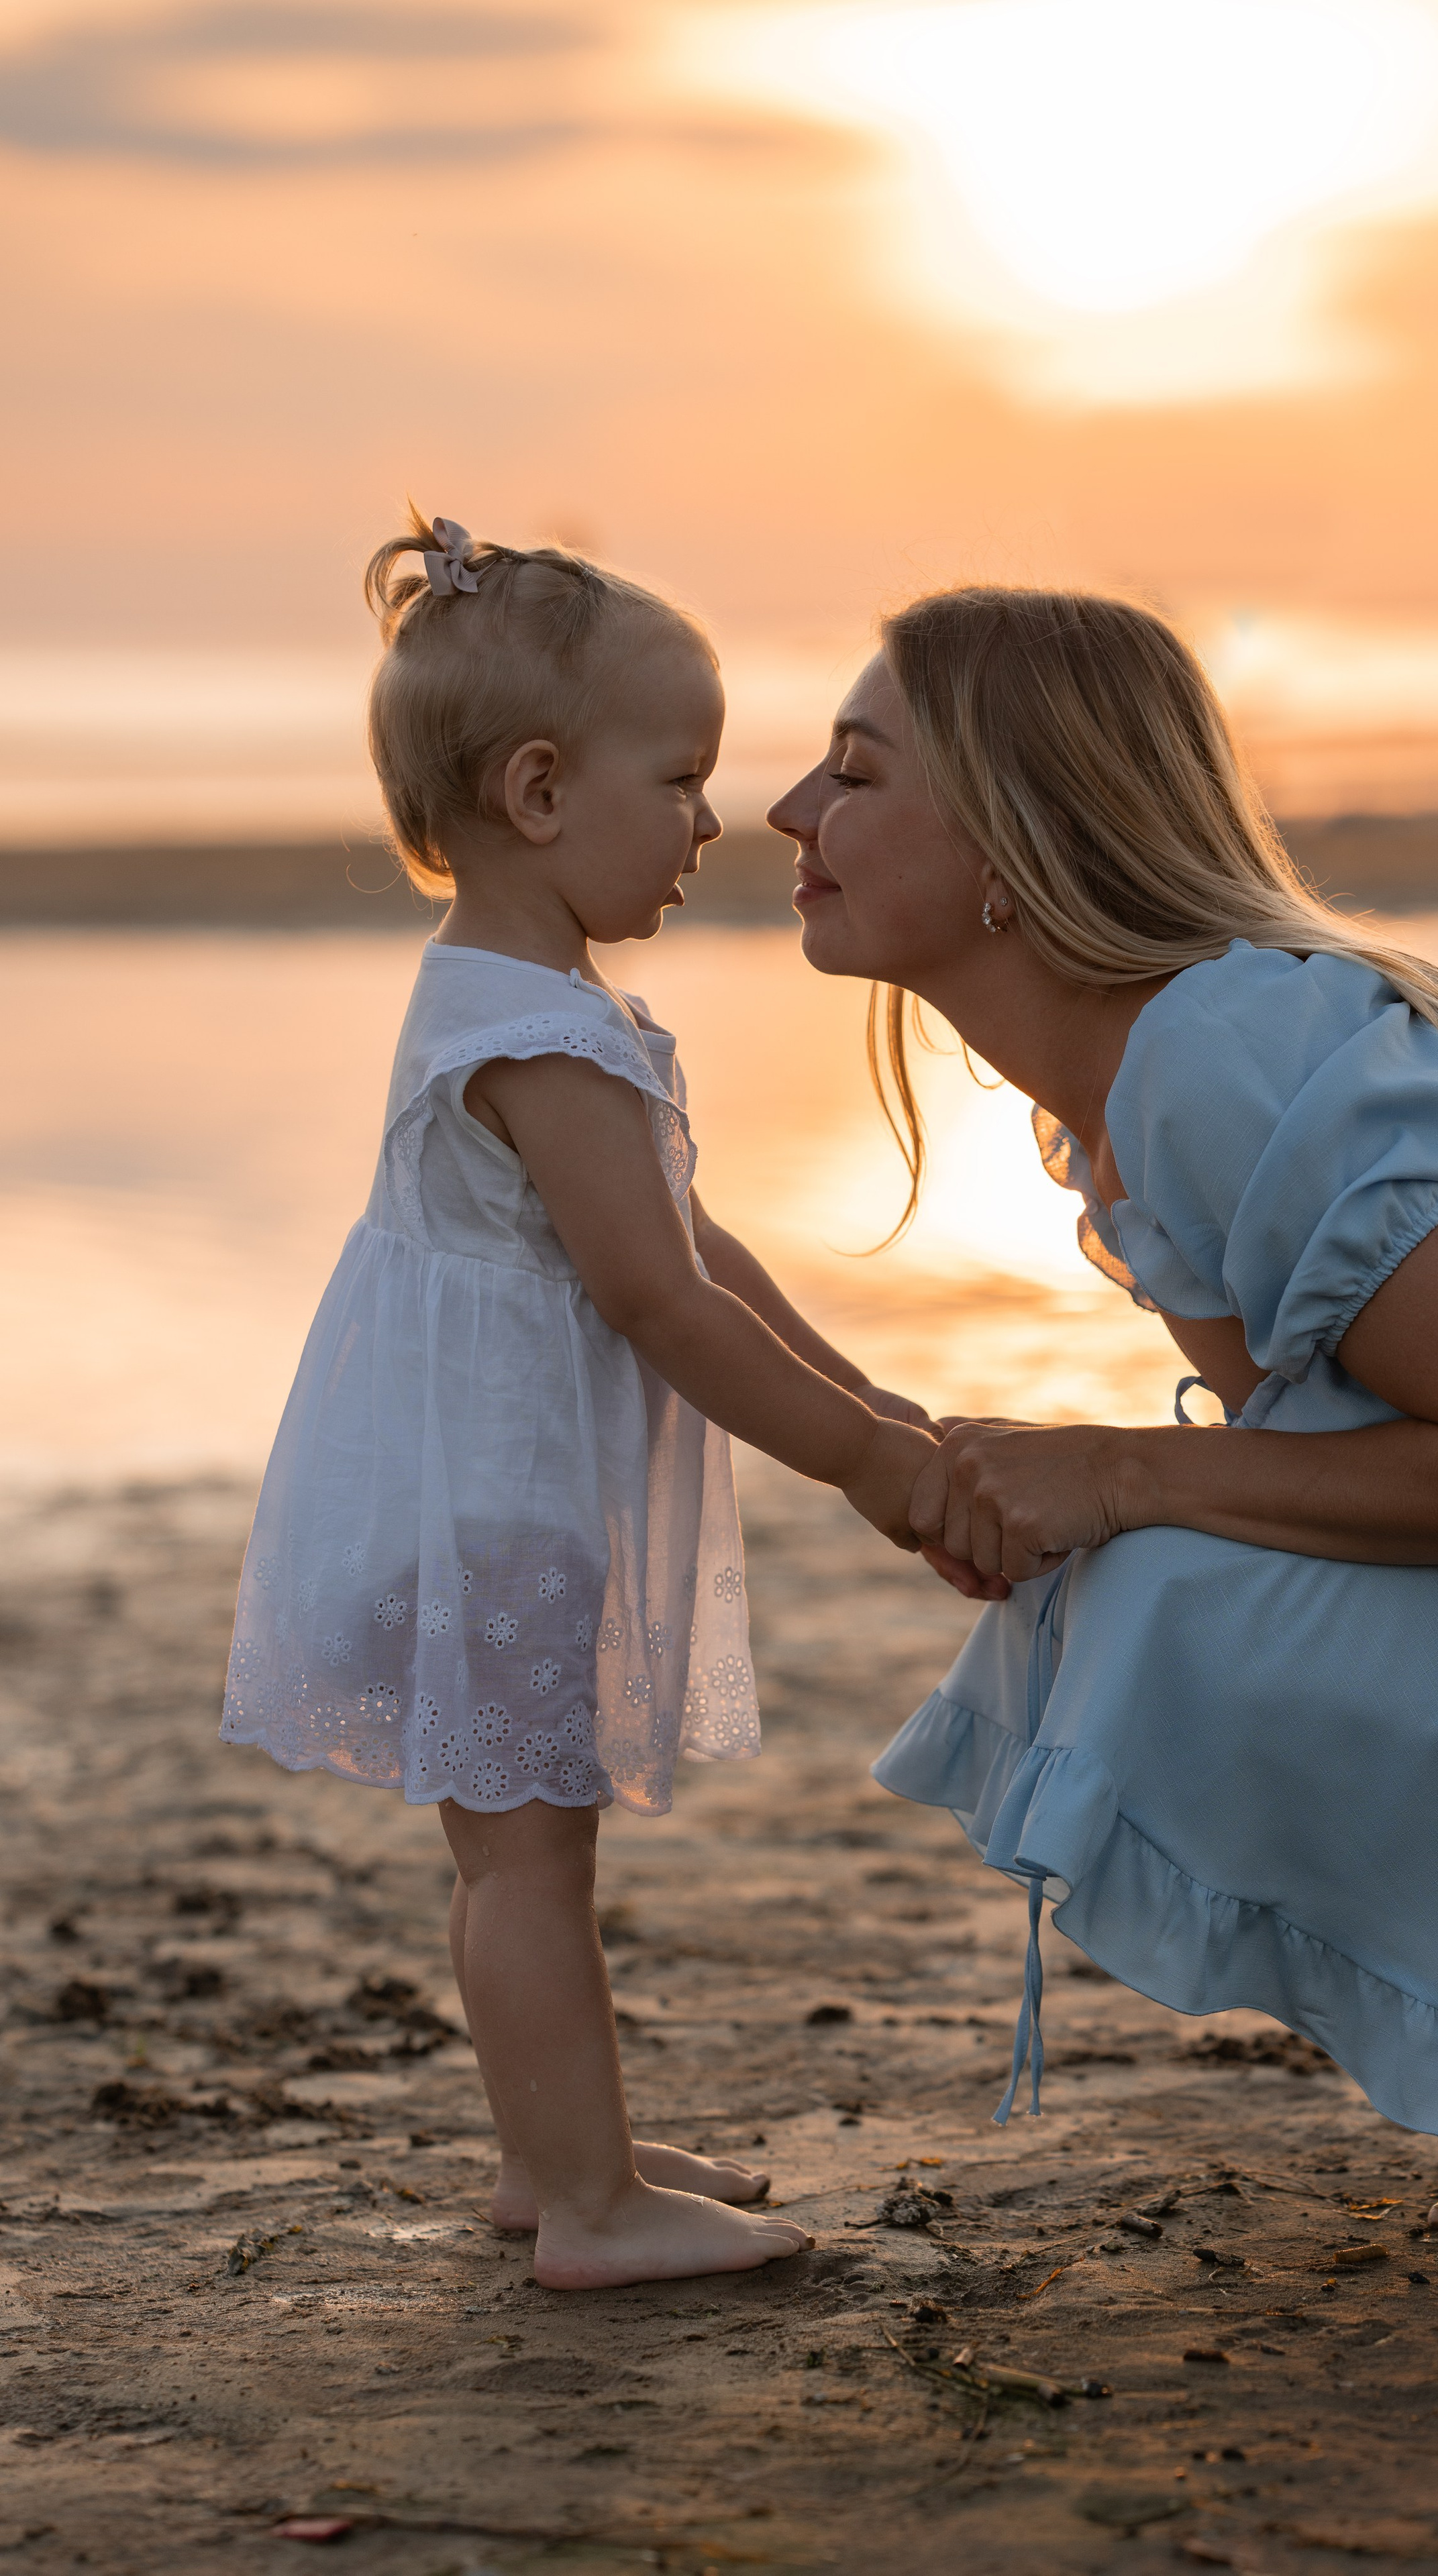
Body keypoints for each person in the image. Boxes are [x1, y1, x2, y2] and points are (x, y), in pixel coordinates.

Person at [768, 584, 1438, 2255]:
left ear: (1012, 833)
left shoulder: (1219, 1052)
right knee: (1155, 1568)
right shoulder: (1131, 1082)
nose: (788, 811)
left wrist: (1114, 1470)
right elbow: (1342, 1435)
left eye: (853, 771)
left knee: (1163, 1592)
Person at [221, 512, 937, 2290]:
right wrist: (863, 1465)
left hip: (467, 1488)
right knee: (528, 1867)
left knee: (532, 1851)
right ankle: (592, 2212)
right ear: (540, 792)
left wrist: (873, 1394)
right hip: (495, 1503)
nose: (716, 820)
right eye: (680, 779)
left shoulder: (515, 994)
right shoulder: (538, 1035)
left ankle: (567, 2156)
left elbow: (688, 1241)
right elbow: (652, 1299)